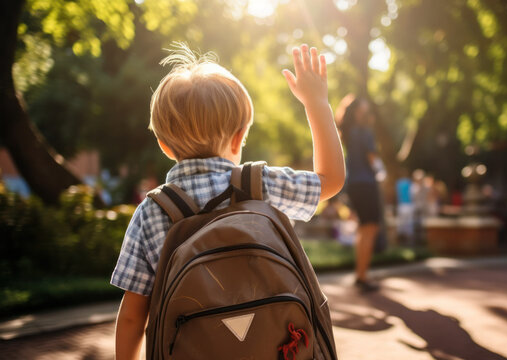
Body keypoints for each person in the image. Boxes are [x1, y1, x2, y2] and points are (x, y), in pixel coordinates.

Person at [110, 43, 345, 359]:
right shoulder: (259, 185)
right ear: (239, 138)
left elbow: (132, 314)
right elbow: (331, 179)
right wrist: (317, 104)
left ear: (164, 146)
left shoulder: (152, 211)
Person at [336, 94, 383, 292]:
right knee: (370, 229)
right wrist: (382, 172)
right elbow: (372, 159)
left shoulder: (347, 132)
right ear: (358, 111)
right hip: (367, 184)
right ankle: (363, 276)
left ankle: (361, 274)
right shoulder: (364, 132)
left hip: (353, 185)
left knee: (363, 229)